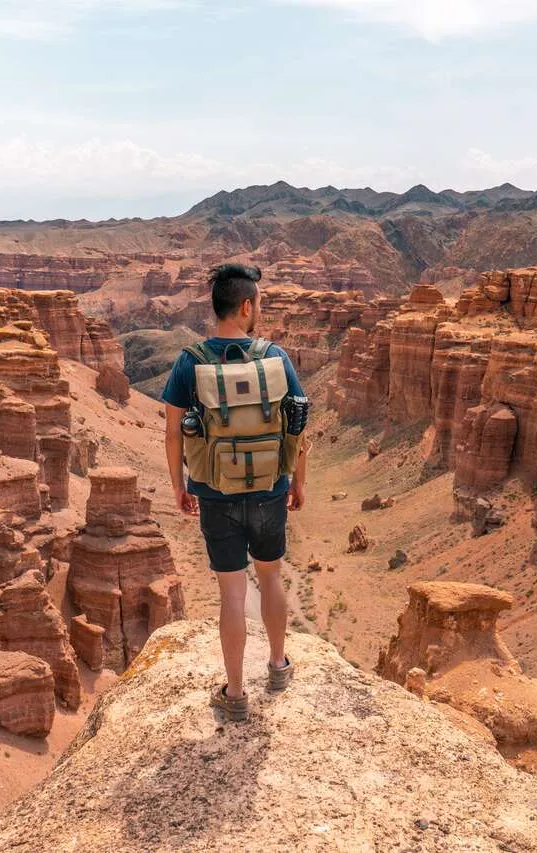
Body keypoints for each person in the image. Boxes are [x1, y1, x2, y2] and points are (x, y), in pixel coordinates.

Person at [161, 263, 308, 721]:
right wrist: (298, 482)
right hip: (269, 490)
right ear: (247, 306)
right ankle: (278, 666)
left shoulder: (192, 360)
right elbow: (298, 425)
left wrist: (180, 487)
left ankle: (237, 693)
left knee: (232, 593)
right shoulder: (275, 357)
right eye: (259, 303)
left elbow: (171, 432)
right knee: (270, 579)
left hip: (215, 493)